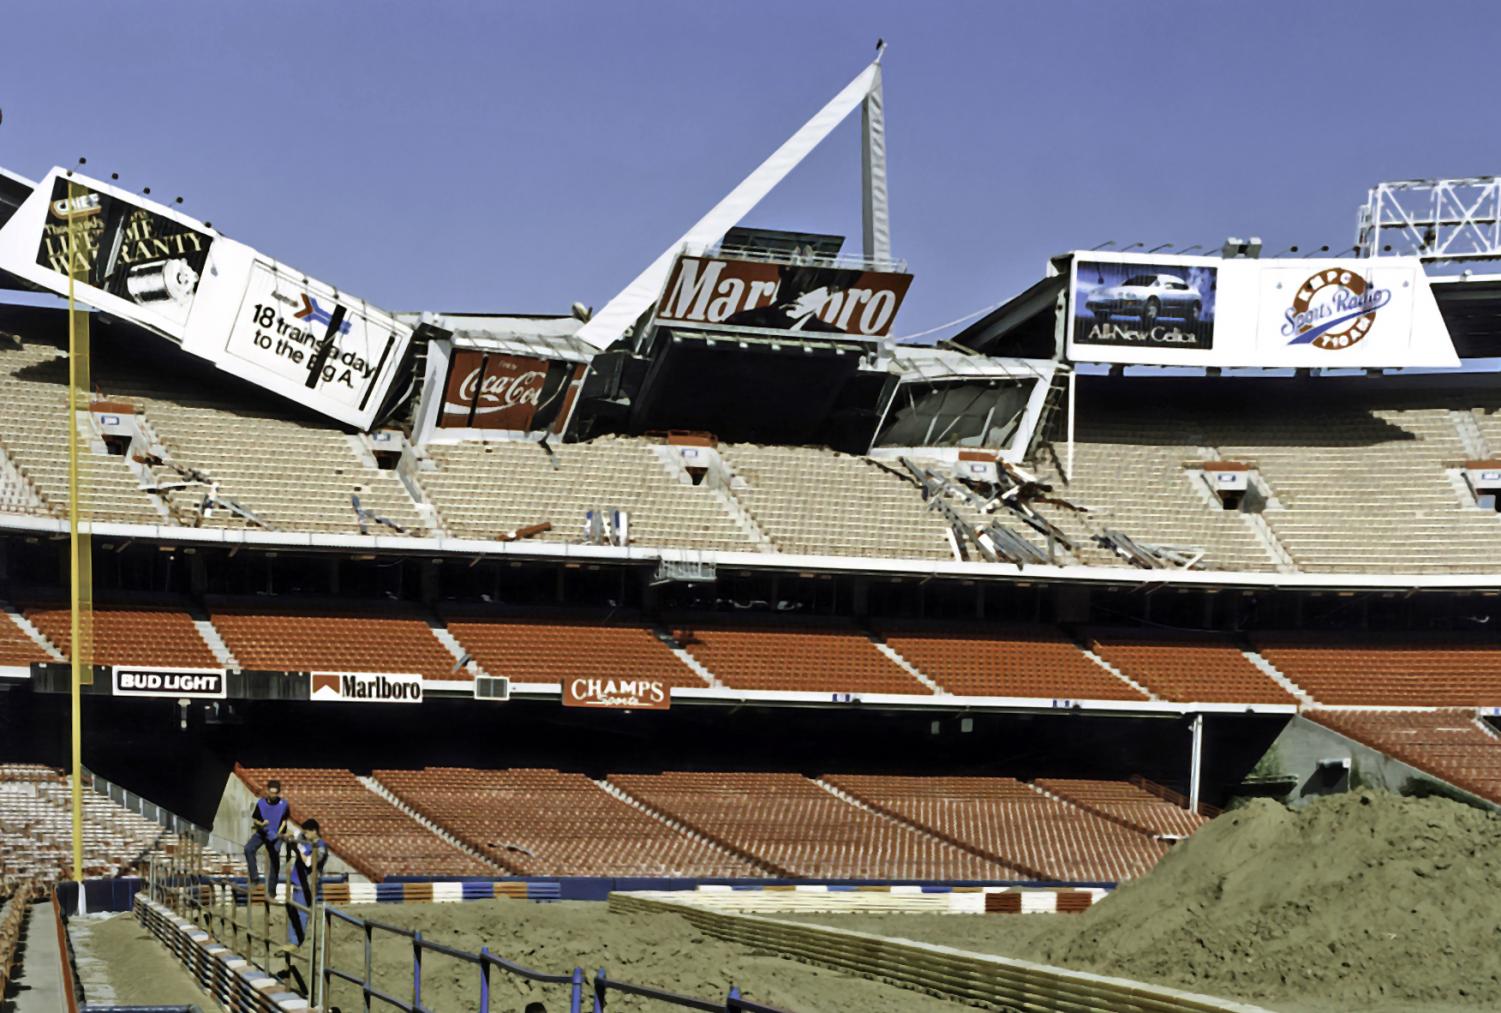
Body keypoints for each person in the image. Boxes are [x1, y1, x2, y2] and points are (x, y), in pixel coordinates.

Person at [284, 818, 329, 947]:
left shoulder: (321, 847)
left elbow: (309, 862)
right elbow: (295, 839)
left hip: (307, 884)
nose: (305, 836)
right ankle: (292, 940)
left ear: (314, 831)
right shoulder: (306, 840)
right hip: (298, 881)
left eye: (307, 833)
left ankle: (296, 941)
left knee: (302, 913)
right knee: (294, 912)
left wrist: (298, 847)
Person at [244, 779, 290, 896]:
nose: (273, 795)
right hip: (262, 833)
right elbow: (255, 820)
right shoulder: (261, 803)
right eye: (271, 792)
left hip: (276, 834)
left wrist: (279, 834)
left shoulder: (283, 805)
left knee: (274, 857)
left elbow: (284, 821)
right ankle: (255, 878)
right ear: (267, 791)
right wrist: (262, 824)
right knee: (248, 849)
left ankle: (271, 890)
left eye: (275, 793)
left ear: (278, 793)